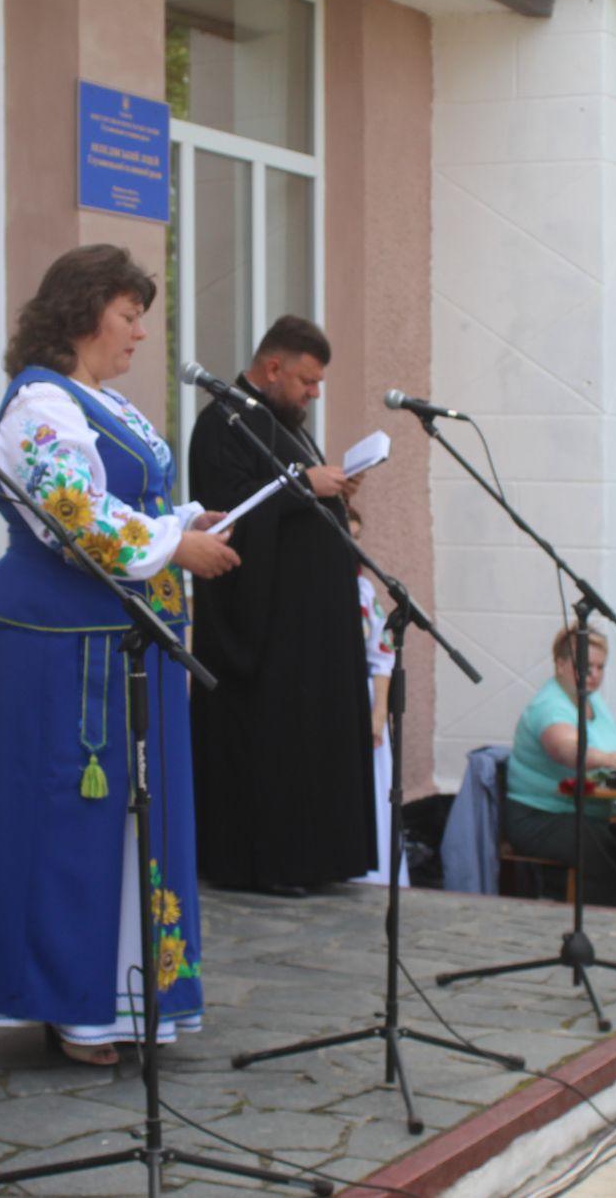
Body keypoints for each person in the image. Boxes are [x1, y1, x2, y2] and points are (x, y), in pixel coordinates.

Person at [0, 245, 239, 1066]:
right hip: (62, 652)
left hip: (116, 640)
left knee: (125, 820)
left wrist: (182, 519)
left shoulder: (96, 400)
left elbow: (119, 505)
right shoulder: (40, 403)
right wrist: (173, 547)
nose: (141, 332)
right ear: (80, 311)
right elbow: (73, 516)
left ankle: (120, 991)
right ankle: (71, 1001)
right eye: (129, 313)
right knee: (70, 818)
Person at [189, 315, 378, 893]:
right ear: (273, 368)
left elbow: (293, 490)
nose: (314, 394)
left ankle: (322, 857)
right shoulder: (223, 422)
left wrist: (329, 488)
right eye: (307, 381)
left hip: (309, 626)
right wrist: (304, 486)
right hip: (265, 628)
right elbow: (229, 515)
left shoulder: (278, 420)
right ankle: (273, 864)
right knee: (272, 744)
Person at [503, 625, 616, 905]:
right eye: (586, 666)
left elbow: (615, 750)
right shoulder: (549, 705)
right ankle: (601, 923)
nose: (594, 675)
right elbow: (565, 749)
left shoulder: (591, 700)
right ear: (560, 664)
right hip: (542, 816)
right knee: (609, 861)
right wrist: (606, 760)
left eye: (600, 667)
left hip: (591, 811)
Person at [347, 507, 408, 887]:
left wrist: (379, 710)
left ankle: (379, 873)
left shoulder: (365, 592)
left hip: (365, 697)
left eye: (356, 538)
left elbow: (382, 653)